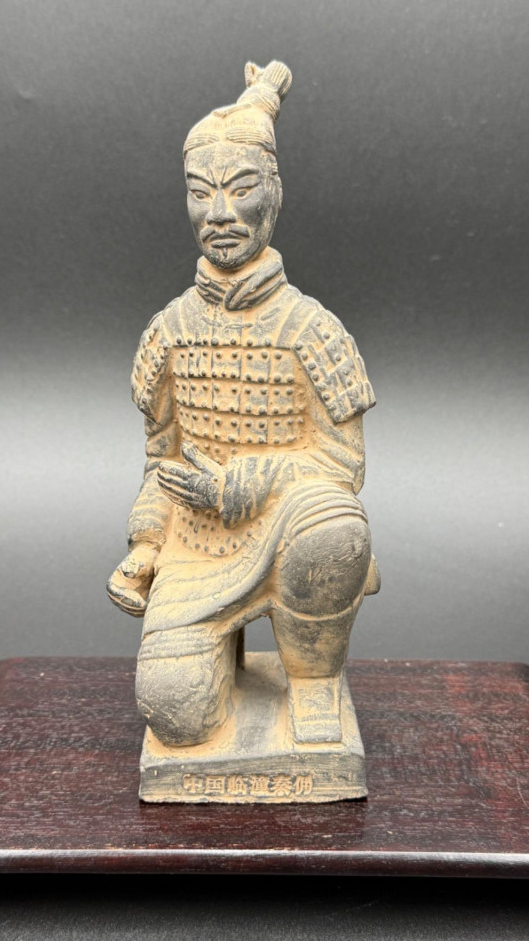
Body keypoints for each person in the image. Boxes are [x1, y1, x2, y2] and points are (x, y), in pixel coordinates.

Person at [108, 61, 379, 749]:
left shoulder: (311, 329)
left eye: (241, 188)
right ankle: (206, 651)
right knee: (176, 715)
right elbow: (161, 459)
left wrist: (243, 484)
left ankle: (314, 681)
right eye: (201, 193)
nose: (220, 214)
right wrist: (145, 546)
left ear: (274, 195)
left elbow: (342, 465)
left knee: (335, 523)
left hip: (290, 528)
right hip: (198, 545)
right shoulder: (169, 331)